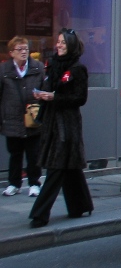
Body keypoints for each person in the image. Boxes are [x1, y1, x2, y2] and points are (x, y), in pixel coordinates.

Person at [29, 29, 94, 227]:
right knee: (69, 165)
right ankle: (80, 205)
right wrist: (42, 95)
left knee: (56, 166)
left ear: (72, 45)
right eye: (58, 42)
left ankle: (39, 214)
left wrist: (54, 97)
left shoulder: (78, 69)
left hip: (67, 123)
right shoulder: (51, 65)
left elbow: (80, 98)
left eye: (63, 43)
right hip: (51, 120)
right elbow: (49, 87)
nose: (59, 45)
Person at [1, 37, 45, 197]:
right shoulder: (4, 70)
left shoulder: (38, 67)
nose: (24, 52)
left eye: (26, 49)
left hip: (32, 118)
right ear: (12, 52)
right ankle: (14, 184)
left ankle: (34, 183)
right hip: (12, 119)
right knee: (15, 153)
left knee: (34, 154)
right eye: (20, 49)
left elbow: (44, 89)